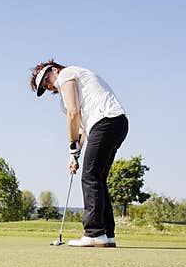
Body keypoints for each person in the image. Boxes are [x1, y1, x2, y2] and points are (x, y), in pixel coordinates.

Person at [30, 60, 128, 247]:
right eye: (44, 86)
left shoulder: (66, 74)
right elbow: (82, 129)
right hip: (115, 124)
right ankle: (107, 234)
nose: (49, 86)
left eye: (46, 80)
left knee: (90, 176)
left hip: (106, 121)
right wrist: (74, 155)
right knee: (98, 178)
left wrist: (71, 145)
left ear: (54, 70)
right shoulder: (69, 91)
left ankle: (93, 233)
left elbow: (73, 114)